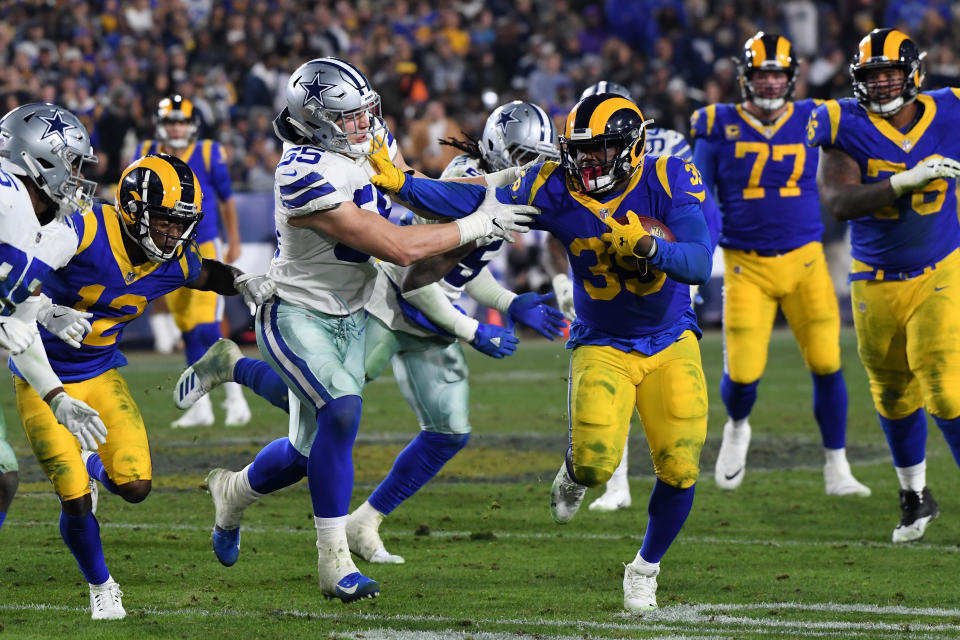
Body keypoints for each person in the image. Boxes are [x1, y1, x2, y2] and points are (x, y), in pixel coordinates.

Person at [177, 57, 538, 603]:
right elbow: (395, 245)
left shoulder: (365, 137)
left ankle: (231, 491)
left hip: (353, 308)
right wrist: (476, 223)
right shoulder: (300, 171)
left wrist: (489, 186)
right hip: (297, 311)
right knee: (341, 412)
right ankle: (334, 563)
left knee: (304, 452)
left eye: (364, 112)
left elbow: (413, 190)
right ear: (317, 121)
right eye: (348, 118)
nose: (363, 125)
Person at [367, 93, 713, 611]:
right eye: (579, 151)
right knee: (596, 467)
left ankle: (644, 569)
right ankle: (574, 474)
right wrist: (404, 184)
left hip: (671, 340)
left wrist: (648, 248)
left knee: (680, 467)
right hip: (602, 341)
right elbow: (469, 198)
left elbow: (698, 261)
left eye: (599, 151)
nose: (586, 162)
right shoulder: (553, 182)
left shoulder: (668, 176)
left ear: (632, 147)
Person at [11, 152, 275, 620]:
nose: (173, 233)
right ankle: (102, 586)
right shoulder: (86, 226)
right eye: (163, 222)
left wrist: (245, 279)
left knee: (134, 487)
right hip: (44, 380)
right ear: (132, 211)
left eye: (180, 224)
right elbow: (22, 264)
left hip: (99, 374)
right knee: (72, 497)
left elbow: (210, 274)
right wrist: (47, 310)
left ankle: (93, 465)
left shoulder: (172, 261)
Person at [691, 32, 869, 497]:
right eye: (762, 74)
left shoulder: (816, 117)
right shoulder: (717, 124)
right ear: (746, 77)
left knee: (828, 362)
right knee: (743, 374)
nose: (770, 84)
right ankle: (737, 426)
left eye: (777, 75)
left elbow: (874, 121)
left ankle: (837, 466)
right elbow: (699, 192)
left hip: (807, 260)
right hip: (744, 263)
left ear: (791, 78)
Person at [809, 28, 960, 542]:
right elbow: (839, 202)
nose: (883, 84)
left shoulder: (951, 109)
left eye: (892, 73)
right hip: (873, 279)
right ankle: (915, 497)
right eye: (874, 76)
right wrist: (902, 181)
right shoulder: (842, 124)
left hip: (939, 269)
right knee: (894, 394)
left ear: (913, 73)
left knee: (943, 385)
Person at [576, 81, 722, 513]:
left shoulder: (671, 157)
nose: (595, 152)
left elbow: (701, 217)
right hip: (603, 274)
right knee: (605, 403)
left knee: (673, 423)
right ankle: (610, 479)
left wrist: (670, 254)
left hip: (662, 268)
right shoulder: (577, 162)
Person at [0, 102, 108, 535]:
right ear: (37, 157)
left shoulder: (31, 220)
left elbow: (19, 327)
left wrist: (57, 397)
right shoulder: (7, 194)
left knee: (3, 477)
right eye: (71, 163)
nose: (76, 177)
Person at [135, 95, 251, 427]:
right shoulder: (146, 149)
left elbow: (227, 200)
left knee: (208, 327)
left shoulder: (209, 152)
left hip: (205, 246)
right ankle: (200, 407)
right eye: (170, 121)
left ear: (191, 125)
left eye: (181, 121)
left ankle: (235, 399)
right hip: (165, 249)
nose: (176, 127)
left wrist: (234, 240)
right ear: (161, 124)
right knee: (186, 329)